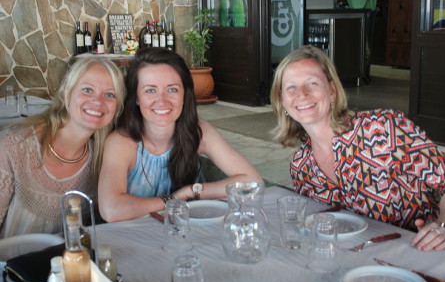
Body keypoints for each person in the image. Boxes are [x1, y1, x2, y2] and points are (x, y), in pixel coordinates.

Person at [270, 45, 445, 252]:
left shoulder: (382, 129)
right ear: (282, 100)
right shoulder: (301, 166)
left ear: (331, 91)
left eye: (312, 83)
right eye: (291, 87)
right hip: (359, 263)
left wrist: (444, 227)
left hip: (428, 254)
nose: (302, 94)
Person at [98, 48, 262, 222]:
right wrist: (172, 200)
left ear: (185, 94)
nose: (162, 100)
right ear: (136, 98)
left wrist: (192, 191)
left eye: (172, 89)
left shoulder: (198, 131)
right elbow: (112, 210)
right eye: (150, 90)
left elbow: (253, 182)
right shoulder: (122, 142)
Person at [0, 57, 126, 238]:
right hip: (11, 264)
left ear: (117, 107)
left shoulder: (104, 158)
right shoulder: (14, 147)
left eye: (109, 94)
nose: (98, 101)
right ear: (67, 93)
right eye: (87, 90)